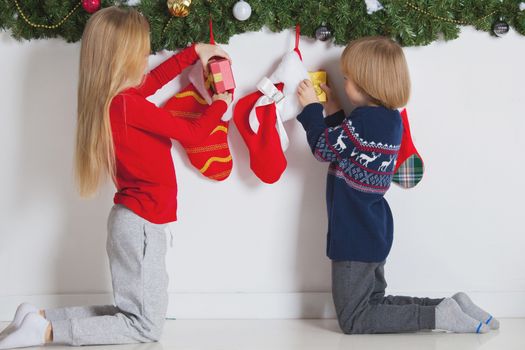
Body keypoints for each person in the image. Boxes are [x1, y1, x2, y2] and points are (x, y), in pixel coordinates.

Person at [0, 6, 232, 348]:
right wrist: (220, 104)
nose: (147, 59)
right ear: (121, 58)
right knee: (145, 326)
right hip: (141, 225)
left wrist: (192, 54)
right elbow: (194, 134)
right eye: (143, 53)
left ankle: (39, 319)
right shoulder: (126, 106)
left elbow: (150, 82)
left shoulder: (119, 101)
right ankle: (48, 332)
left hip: (134, 221)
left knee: (130, 311)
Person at [296, 36, 499, 334]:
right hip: (373, 229)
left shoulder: (362, 124)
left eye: (348, 79)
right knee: (374, 302)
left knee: (355, 319)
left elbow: (322, 148)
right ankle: (449, 305)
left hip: (354, 234)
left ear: (367, 84)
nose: (345, 82)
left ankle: (437, 317)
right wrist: (337, 109)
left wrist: (312, 109)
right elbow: (350, 145)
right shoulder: (388, 120)